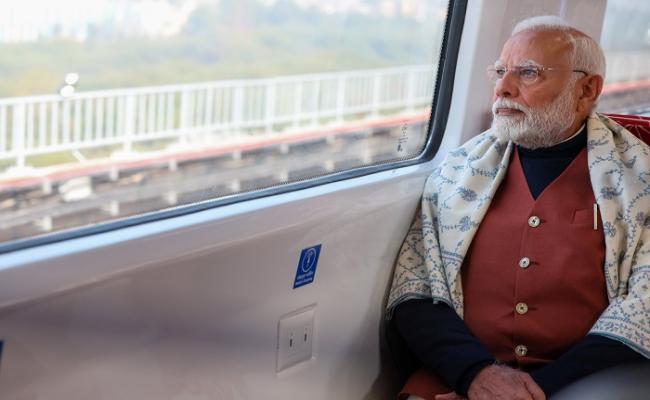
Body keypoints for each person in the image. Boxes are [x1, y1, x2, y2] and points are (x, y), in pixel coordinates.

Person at [386, 15, 650, 400]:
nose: (503, 89)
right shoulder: (456, 172)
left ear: (587, 90)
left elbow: (645, 309)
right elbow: (418, 291)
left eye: (528, 73)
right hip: (463, 374)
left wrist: (526, 392)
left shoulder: (640, 178)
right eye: (499, 72)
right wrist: (475, 375)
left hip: (592, 377)